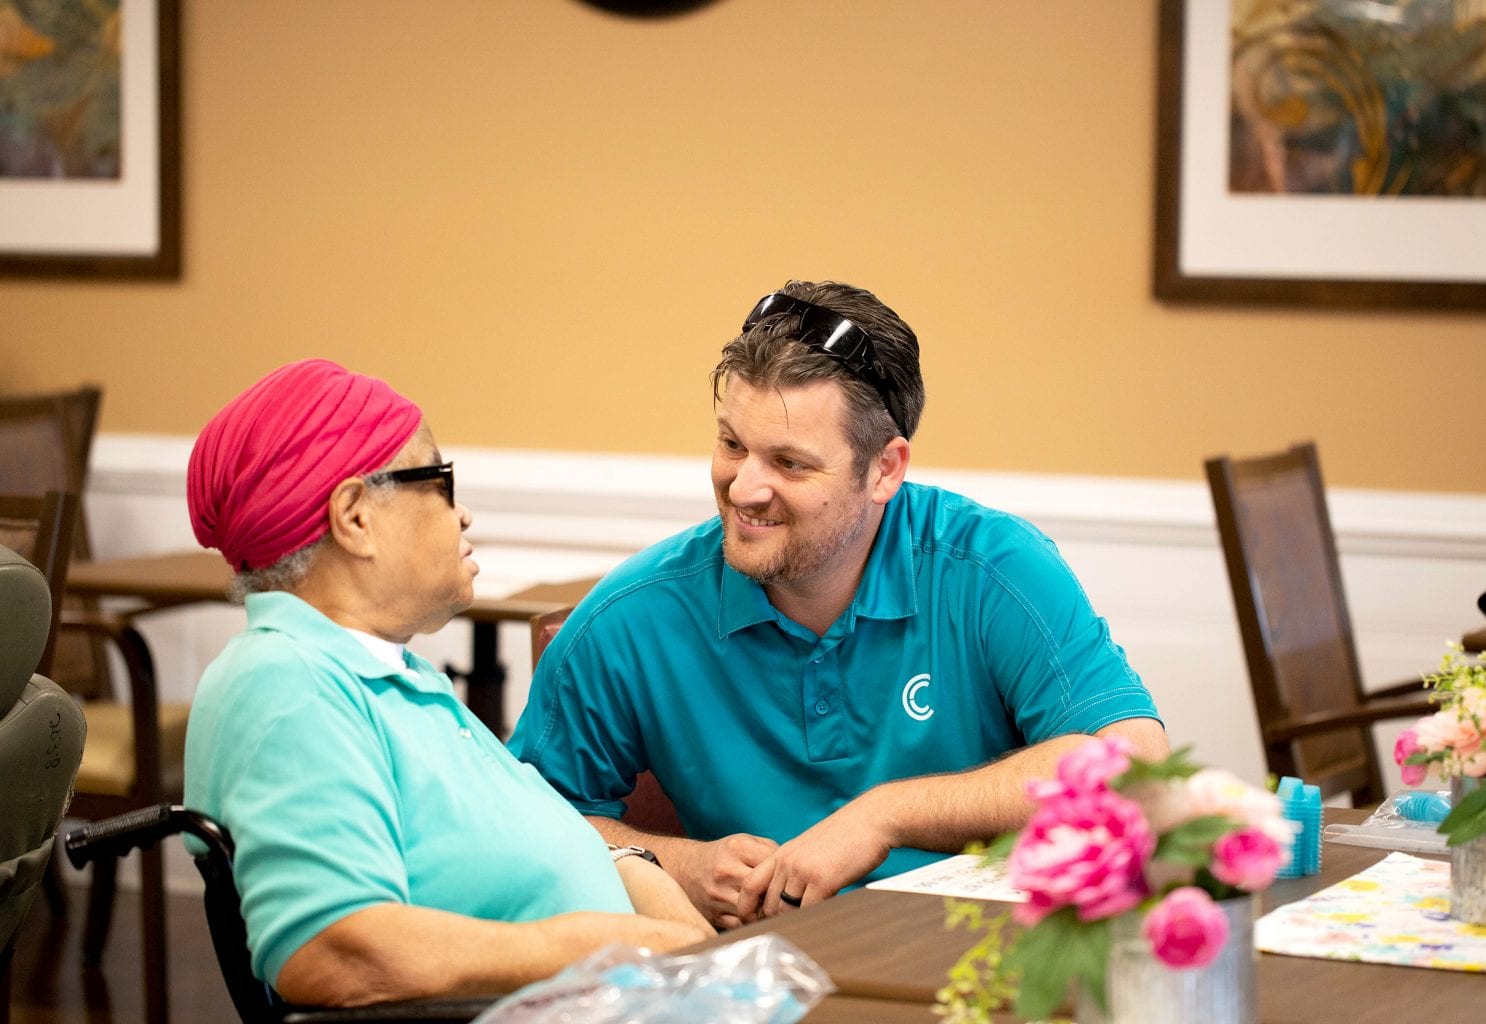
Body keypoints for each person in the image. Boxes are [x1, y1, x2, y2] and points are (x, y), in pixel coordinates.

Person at [510, 280, 1169, 929]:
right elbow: (521, 825)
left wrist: (885, 816)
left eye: (790, 463)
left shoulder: (991, 567)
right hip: (769, 969)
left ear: (885, 469)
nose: (743, 488)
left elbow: (1138, 768)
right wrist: (677, 865)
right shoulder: (633, 614)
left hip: (979, 959)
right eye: (733, 445)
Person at [182, 359, 711, 1007]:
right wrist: (602, 947)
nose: (462, 516)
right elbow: (332, 952)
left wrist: (641, 884)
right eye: (439, 481)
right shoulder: (287, 685)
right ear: (355, 517)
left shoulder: (388, 676)